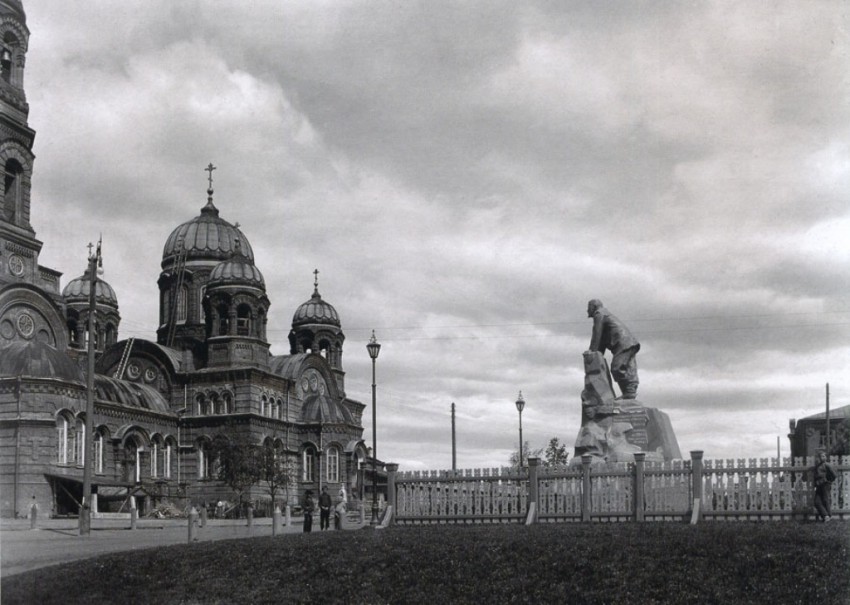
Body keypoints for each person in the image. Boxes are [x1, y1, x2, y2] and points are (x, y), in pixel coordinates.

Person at [586, 299, 640, 399]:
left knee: (617, 368)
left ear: (593, 306)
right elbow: (602, 340)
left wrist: (592, 353)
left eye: (588, 307)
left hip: (623, 343)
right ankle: (630, 392)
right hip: (630, 343)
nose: (587, 310)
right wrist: (598, 354)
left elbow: (597, 334)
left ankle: (629, 393)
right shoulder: (605, 313)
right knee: (629, 368)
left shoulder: (599, 314)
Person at [812, 450, 836, 522]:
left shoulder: (827, 465)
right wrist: (815, 484)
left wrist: (828, 481)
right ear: (818, 458)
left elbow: (834, 475)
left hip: (825, 485)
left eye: (824, 456)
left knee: (826, 500)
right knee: (817, 502)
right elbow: (816, 476)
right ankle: (826, 515)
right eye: (821, 456)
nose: (823, 458)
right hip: (819, 486)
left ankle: (828, 516)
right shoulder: (817, 466)